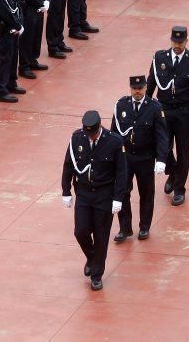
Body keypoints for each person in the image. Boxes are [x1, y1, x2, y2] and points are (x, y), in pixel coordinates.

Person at [61, 110, 127, 291]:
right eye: (87, 133)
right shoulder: (77, 139)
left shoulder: (114, 141)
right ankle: (92, 258)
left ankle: (96, 274)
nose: (90, 136)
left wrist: (118, 198)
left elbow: (121, 173)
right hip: (83, 193)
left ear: (99, 127)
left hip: (104, 195)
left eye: (93, 133)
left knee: (101, 235)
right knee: (80, 231)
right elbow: (69, 165)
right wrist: (65, 191)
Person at [146, 26, 189, 206]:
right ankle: (172, 173)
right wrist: (145, 107)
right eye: (175, 42)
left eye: (181, 43)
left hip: (184, 112)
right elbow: (151, 82)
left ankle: (179, 189)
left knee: (182, 150)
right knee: (163, 148)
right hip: (163, 110)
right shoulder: (159, 58)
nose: (177, 45)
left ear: (186, 42)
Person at [111, 76, 168, 242]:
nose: (137, 91)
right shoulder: (121, 105)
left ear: (145, 88)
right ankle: (125, 228)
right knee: (122, 191)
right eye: (134, 88)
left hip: (145, 157)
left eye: (140, 88)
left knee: (146, 193)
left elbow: (162, 135)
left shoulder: (155, 108)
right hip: (125, 157)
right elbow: (114, 133)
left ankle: (144, 227)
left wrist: (161, 159)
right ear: (130, 88)